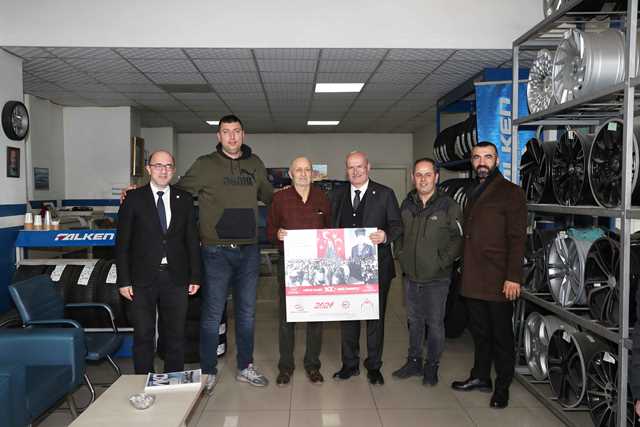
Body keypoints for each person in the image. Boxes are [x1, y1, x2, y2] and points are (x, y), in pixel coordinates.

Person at [178, 115, 273, 392]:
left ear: (243, 134)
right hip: (215, 252)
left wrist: (301, 192)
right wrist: (140, 192)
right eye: (226, 132)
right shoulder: (204, 165)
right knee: (212, 314)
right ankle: (208, 371)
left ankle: (245, 367)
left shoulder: (255, 164)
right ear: (218, 136)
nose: (232, 136)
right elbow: (177, 193)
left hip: (249, 251)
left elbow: (272, 198)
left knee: (247, 314)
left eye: (236, 131)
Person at [451, 142, 527, 409]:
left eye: (487, 157)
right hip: (474, 276)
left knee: (501, 336)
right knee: (480, 333)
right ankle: (480, 376)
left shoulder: (511, 192)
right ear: (472, 162)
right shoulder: (475, 191)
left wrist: (513, 277)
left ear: (497, 160)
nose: (481, 162)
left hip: (498, 278)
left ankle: (502, 387)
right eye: (476, 158)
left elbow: (517, 238)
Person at [115, 150, 201, 375]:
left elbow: (192, 240)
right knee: (143, 335)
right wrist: (123, 281)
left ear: (174, 170)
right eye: (158, 165)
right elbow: (122, 244)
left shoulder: (185, 199)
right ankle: (143, 382)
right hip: (141, 279)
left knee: (175, 335)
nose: (164, 170)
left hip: (176, 278)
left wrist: (195, 275)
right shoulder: (133, 199)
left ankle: (173, 382)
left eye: (168, 166)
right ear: (148, 169)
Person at [330, 151, 402, 385]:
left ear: (368, 167)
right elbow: (330, 226)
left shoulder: (385, 194)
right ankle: (349, 364)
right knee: (348, 317)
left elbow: (397, 225)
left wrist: (385, 235)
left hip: (377, 267)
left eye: (359, 166)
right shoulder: (337, 195)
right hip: (346, 268)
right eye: (351, 167)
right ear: (346, 170)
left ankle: (374, 366)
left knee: (375, 319)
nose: (355, 171)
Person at [392, 158, 463, 385]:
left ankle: (432, 366)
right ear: (413, 177)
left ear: (436, 177)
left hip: (437, 278)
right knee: (414, 321)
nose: (423, 179)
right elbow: (399, 232)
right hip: (411, 276)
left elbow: (458, 239)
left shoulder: (448, 205)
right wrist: (400, 255)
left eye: (428, 174)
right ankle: (414, 361)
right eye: (419, 175)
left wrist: (442, 262)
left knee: (434, 324)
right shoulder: (407, 203)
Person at [266, 156, 332, 387]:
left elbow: (331, 230)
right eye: (299, 170)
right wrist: (277, 234)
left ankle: (313, 365)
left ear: (312, 173)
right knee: (288, 318)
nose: (303, 174)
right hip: (290, 266)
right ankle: (286, 367)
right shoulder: (279, 199)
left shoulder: (323, 198)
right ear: (291, 174)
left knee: (315, 318)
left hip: (317, 267)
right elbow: (270, 230)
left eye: (307, 170)